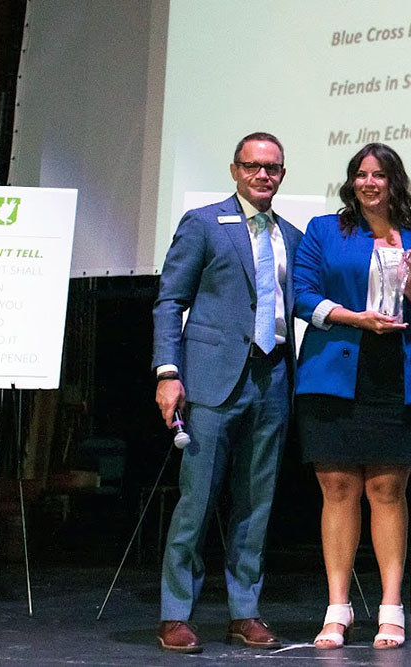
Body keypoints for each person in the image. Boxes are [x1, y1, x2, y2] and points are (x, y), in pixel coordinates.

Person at [151, 132, 303, 654]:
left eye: (273, 168)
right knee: (197, 501)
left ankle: (244, 611)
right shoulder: (203, 223)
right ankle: (175, 613)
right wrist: (168, 372)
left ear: (282, 175)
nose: (264, 175)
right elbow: (170, 301)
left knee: (256, 504)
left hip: (273, 377)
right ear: (235, 170)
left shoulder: (292, 235)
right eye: (254, 166)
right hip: (212, 378)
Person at [293, 143, 411, 650]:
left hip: (398, 379)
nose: (368, 182)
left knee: (387, 493)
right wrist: (353, 316)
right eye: (360, 174)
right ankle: (337, 609)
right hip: (334, 373)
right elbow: (301, 295)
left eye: (379, 174)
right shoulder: (324, 231)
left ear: (395, 183)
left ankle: (390, 608)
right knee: (337, 490)